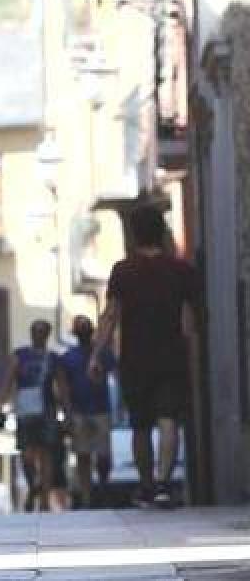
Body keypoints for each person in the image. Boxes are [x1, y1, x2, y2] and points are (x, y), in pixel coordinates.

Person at [90, 204, 199, 509]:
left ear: (134, 235)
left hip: (135, 360)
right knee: (168, 420)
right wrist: (190, 359)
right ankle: (164, 483)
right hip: (171, 357)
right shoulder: (182, 270)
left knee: (140, 425)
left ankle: (147, 486)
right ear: (162, 231)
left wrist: (96, 354)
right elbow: (188, 321)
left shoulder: (122, 271)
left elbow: (110, 316)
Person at [0, 319, 65, 513]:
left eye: (42, 331)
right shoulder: (20, 355)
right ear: (31, 333)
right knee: (26, 454)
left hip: (48, 410)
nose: (39, 334)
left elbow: (61, 385)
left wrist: (67, 410)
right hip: (25, 409)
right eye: (36, 330)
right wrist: (0, 403)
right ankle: (34, 485)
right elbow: (9, 379)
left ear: (48, 334)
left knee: (46, 454)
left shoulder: (53, 358)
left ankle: (43, 498)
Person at [58, 314, 116, 508]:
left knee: (103, 456)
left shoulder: (103, 354)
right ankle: (87, 498)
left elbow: (114, 373)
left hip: (100, 410)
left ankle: (102, 487)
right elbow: (64, 387)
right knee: (83, 455)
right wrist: (67, 412)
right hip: (80, 412)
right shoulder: (68, 358)